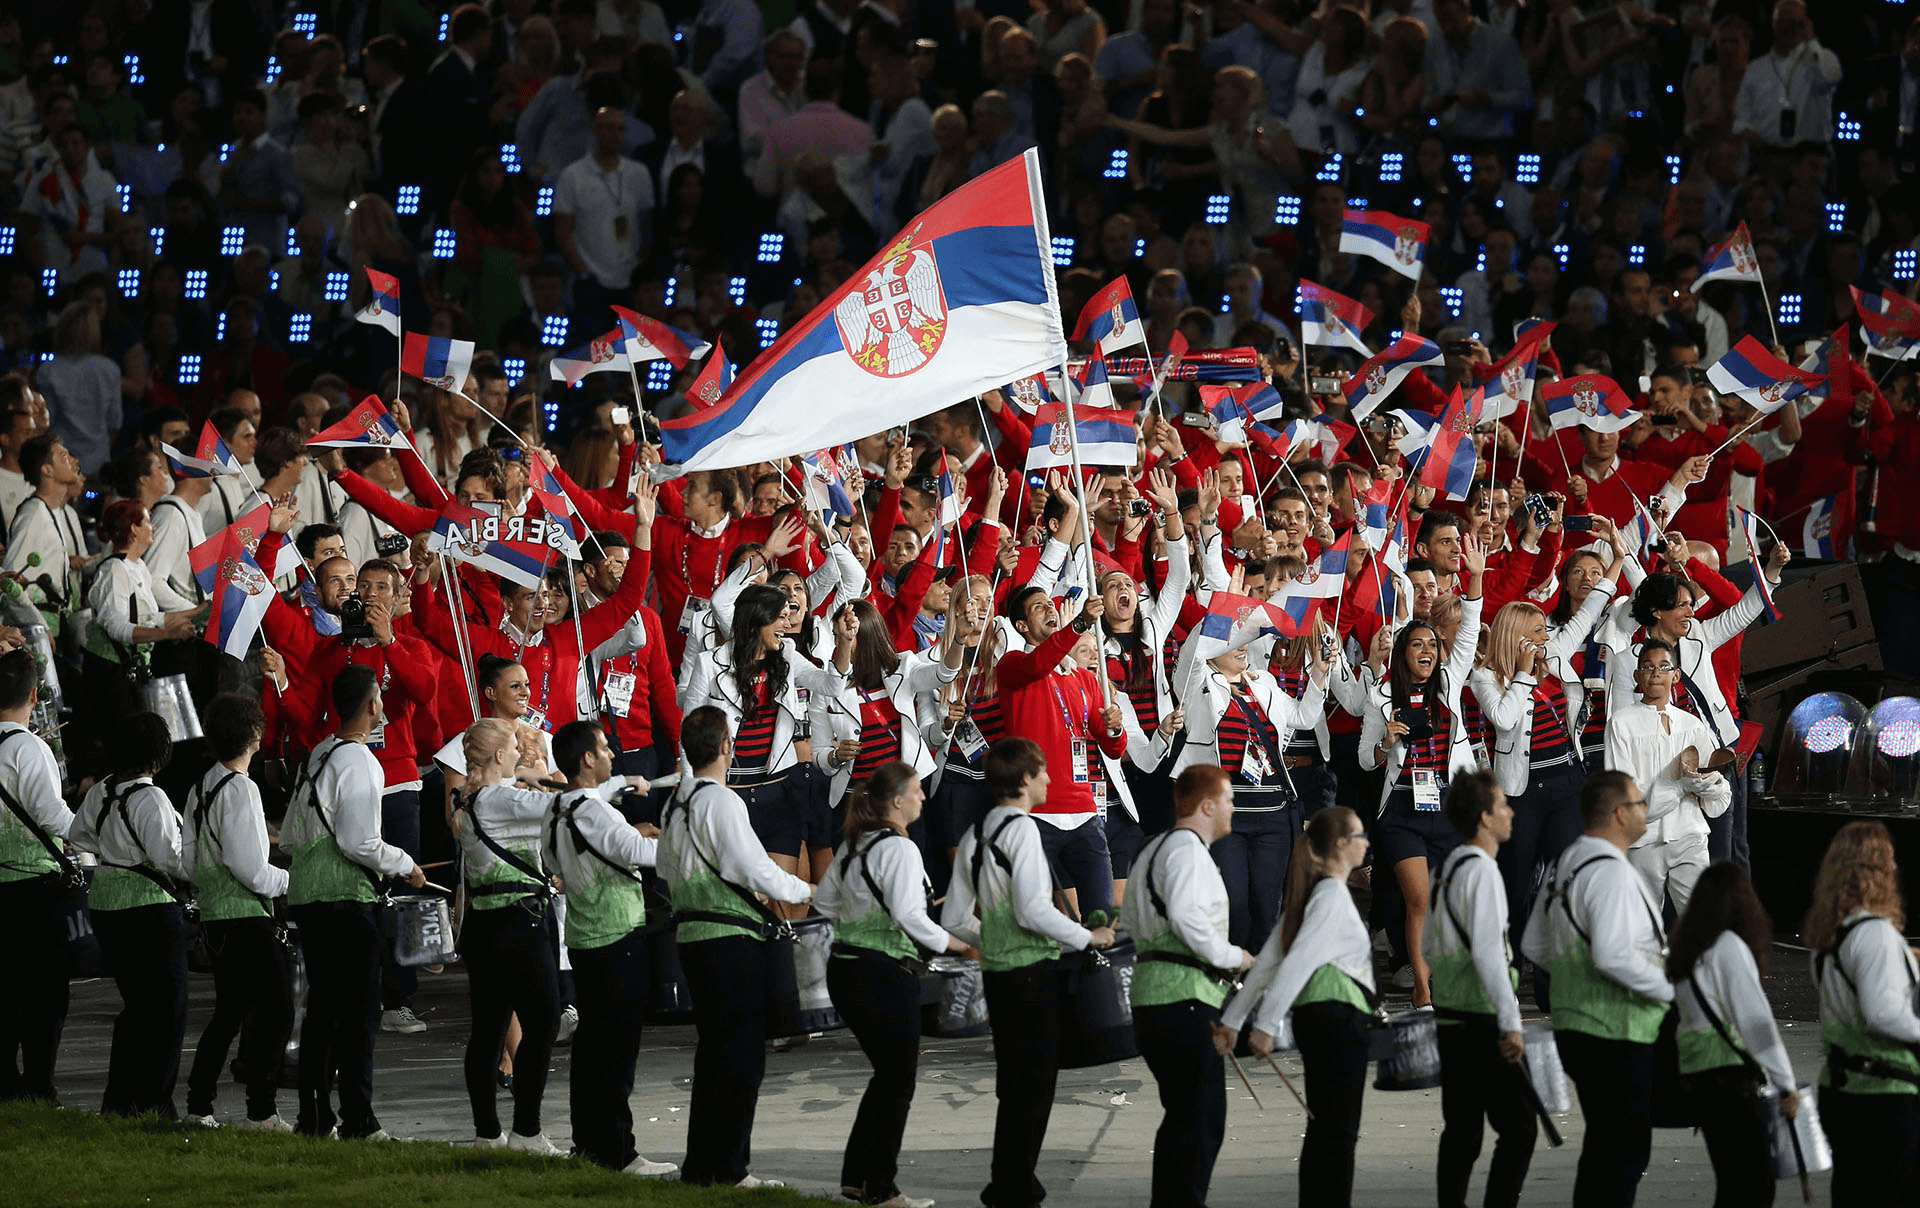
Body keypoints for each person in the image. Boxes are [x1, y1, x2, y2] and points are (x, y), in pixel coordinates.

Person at [942, 737, 1116, 1208]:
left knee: (1015, 1085)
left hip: (999, 974)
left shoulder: (977, 834)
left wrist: (991, 943)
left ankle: (1010, 1181)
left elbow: (955, 919)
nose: (1050, 779)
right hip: (1031, 973)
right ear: (1022, 781)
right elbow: (1035, 910)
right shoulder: (1023, 831)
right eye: (1041, 772)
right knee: (1033, 1087)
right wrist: (1088, 937)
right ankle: (1013, 1187)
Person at [660, 705, 815, 1187]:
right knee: (741, 1060)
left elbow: (666, 866)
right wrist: (804, 891)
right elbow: (756, 869)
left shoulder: (677, 801)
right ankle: (730, 1168)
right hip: (729, 939)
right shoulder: (723, 802)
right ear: (727, 747)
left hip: (691, 935)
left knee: (714, 1057)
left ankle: (702, 1165)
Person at [815, 760, 969, 1208]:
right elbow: (909, 917)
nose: (924, 797)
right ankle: (881, 1189)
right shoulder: (899, 849)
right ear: (897, 800)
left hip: (844, 968)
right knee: (898, 1082)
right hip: (882, 973)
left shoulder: (853, 844)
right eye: (918, 790)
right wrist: (958, 945)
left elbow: (824, 903)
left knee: (887, 1078)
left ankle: (858, 1178)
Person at [280, 664, 425, 1140]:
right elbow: (360, 841)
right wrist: (405, 863)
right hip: (345, 897)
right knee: (359, 1015)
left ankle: (314, 1117)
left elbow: (293, 835)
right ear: (371, 706)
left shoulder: (318, 753)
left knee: (322, 1011)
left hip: (308, 894)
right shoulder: (361, 760)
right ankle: (359, 1119)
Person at [1521, 770, 1672, 1208]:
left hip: (1576, 1026)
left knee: (1605, 1149)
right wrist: (1670, 990)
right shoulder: (1611, 874)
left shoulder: (1566, 864)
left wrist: (1573, 980)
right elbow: (1612, 956)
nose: (1646, 809)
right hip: (1615, 1031)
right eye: (1640, 803)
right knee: (1623, 1154)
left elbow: (1534, 943)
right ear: (1619, 814)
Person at [545, 719, 678, 1177]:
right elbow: (644, 855)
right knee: (617, 1052)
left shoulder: (557, 810)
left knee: (592, 1049)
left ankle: (590, 1143)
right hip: (617, 935)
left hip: (583, 936)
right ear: (586, 759)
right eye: (604, 749)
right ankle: (620, 1150)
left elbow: (550, 861)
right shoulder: (596, 812)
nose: (612, 756)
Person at [1359, 535, 1487, 1004]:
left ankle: (1455, 976)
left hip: (1449, 807)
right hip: (1403, 811)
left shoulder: (1450, 683)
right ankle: (1422, 985)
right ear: (1403, 652)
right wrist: (1384, 743)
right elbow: (1362, 757)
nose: (1428, 649)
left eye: (1432, 643)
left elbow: (1470, 630)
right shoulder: (1381, 695)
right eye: (1417, 643)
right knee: (1420, 901)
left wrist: (1474, 579)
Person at [1226, 806, 1374, 1208]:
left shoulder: (1313, 893)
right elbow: (1297, 960)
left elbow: (1269, 960)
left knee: (1324, 1128)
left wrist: (1233, 1020)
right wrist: (1265, 1024)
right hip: (1340, 1018)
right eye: (1359, 836)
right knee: (1339, 1133)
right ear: (1341, 845)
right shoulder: (1329, 895)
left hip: (1321, 1019)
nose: (1366, 843)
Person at [1124, 764, 1252, 1208]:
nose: (1234, 807)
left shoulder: (1157, 849)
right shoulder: (1185, 851)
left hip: (1159, 998)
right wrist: (1235, 957)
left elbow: (1138, 922)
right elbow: (1184, 917)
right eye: (1230, 799)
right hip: (1181, 1000)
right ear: (1207, 806)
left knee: (1187, 1120)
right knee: (1199, 1122)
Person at [1175, 616, 1330, 949]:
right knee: (1234, 904)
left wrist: (1318, 674)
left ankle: (1260, 983)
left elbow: (1304, 717)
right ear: (1213, 650)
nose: (1243, 645)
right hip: (1227, 819)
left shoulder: (1265, 683)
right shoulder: (1200, 684)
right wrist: (1215, 615)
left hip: (1273, 816)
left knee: (1267, 907)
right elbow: (1190, 657)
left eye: (1244, 639)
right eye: (1232, 640)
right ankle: (1234, 976)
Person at [450, 718, 563, 1154]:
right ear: (499, 755)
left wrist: (527, 777)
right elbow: (559, 809)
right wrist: (549, 780)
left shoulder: (469, 797)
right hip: (519, 922)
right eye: (515, 747)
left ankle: (487, 1133)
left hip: (484, 926)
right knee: (544, 1020)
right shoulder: (499, 798)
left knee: (488, 1028)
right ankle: (527, 1132)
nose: (521, 752)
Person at [67, 712, 188, 1118]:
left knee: (136, 1008)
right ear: (158, 754)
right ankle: (155, 1101)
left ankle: (119, 1100)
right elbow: (170, 860)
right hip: (150, 909)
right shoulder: (152, 798)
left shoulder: (101, 791)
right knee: (167, 1010)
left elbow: (79, 835)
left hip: (105, 906)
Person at [1423, 772, 1535, 1208]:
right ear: (1486, 818)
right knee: (1520, 1127)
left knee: (1462, 1127)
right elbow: (1491, 955)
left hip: (1450, 1013)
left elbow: (1430, 943)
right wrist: (1511, 1024)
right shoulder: (1484, 872)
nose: (1510, 812)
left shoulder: (1448, 867)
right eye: (1503, 805)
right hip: (1482, 1016)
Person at [182, 694, 294, 1130]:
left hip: (213, 914)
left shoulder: (201, 786)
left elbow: (188, 859)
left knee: (229, 1013)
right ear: (253, 735)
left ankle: (199, 1105)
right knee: (278, 1010)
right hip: (247, 915)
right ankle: (261, 1110)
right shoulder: (242, 789)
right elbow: (249, 868)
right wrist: (288, 882)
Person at [1667, 862, 1798, 1208]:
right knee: (1754, 1185)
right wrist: (1786, 1083)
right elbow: (1757, 1024)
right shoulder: (1729, 948)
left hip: (1698, 1077)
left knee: (1732, 1181)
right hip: (1730, 1080)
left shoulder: (1688, 951)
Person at [1803, 820, 1920, 1200]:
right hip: (1882, 1093)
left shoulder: (1830, 936)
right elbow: (1883, 1013)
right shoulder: (1876, 933)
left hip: (1841, 1089)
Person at [1605, 638, 1732, 916]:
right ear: (1637, 676)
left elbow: (1719, 792)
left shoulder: (1692, 725)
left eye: (1664, 667)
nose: (1655, 673)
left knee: (1703, 921)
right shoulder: (1621, 723)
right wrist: (1679, 788)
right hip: (1643, 843)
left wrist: (1706, 785)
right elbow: (1626, 799)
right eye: (1648, 667)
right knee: (1642, 926)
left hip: (1690, 837)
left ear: (1676, 675)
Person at [0, 647, 71, 1103]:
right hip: (33, 887)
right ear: (33, 693)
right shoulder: (30, 748)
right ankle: (39, 1085)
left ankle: (6, 1085)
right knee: (44, 995)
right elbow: (53, 816)